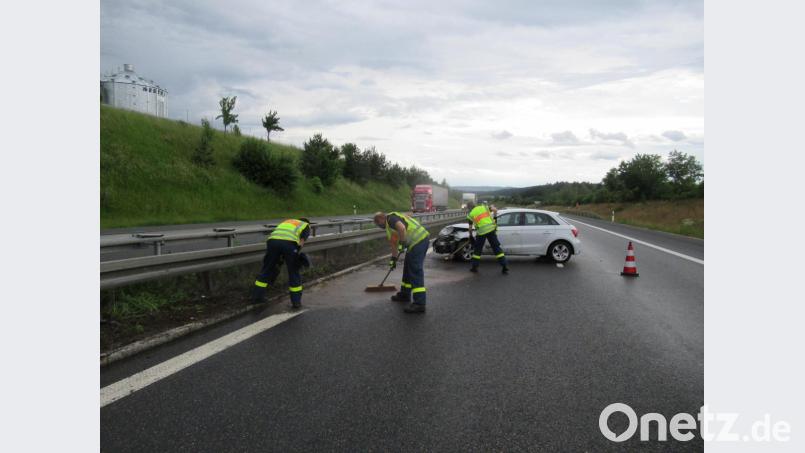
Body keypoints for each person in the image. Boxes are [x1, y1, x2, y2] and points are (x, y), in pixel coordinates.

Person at [373, 211, 430, 314]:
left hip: (419, 241)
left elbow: (402, 228)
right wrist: (393, 260)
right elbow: (394, 246)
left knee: (415, 270)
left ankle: (419, 303)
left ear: (381, 220)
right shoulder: (389, 228)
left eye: (378, 224)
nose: (379, 226)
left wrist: (403, 243)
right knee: (408, 268)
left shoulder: (391, 219)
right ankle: (405, 294)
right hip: (414, 244)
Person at [252, 218, 311, 309]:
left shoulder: (288, 221)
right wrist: (296, 255)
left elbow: (280, 237)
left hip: (272, 242)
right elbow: (301, 242)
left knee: (267, 269)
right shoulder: (305, 225)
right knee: (293, 271)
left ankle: (257, 297)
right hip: (289, 244)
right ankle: (296, 302)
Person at [466, 201, 509, 274]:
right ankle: (504, 266)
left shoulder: (470, 215)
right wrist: (495, 219)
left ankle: (474, 267)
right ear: (475, 205)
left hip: (481, 232)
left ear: (469, 207)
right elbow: (495, 210)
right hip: (491, 230)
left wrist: (470, 236)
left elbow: (470, 228)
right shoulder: (484, 207)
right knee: (496, 248)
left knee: (477, 250)